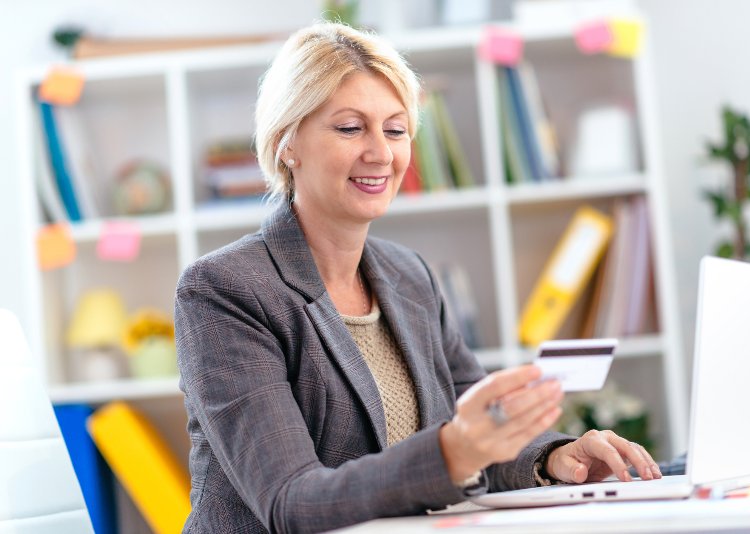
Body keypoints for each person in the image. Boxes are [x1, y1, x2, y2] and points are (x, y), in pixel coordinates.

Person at [174, 21, 661, 534]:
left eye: (395, 128)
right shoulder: (223, 291)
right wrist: (451, 452)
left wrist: (556, 457)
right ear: (286, 142)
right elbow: (292, 503)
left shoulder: (409, 276)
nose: (381, 153)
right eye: (349, 127)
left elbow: (482, 430)